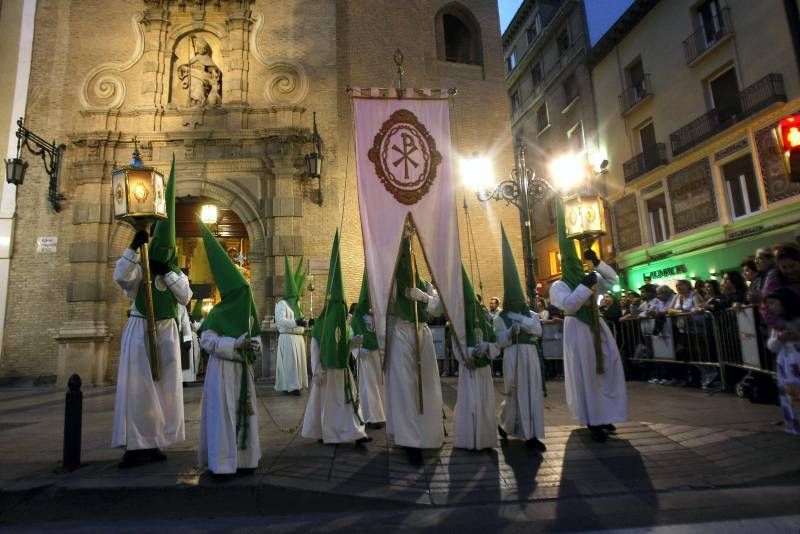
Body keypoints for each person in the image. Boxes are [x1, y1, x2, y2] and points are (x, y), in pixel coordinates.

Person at [112, 160, 192, 468]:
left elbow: (185, 296)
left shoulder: (174, 272)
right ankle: (135, 445)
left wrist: (168, 272)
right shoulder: (137, 265)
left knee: (165, 389)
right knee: (138, 388)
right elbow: (121, 277)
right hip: (140, 327)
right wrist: (134, 248)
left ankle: (157, 439)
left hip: (166, 331)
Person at [548, 198, 627, 443]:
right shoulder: (558, 285)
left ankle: (607, 414)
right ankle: (593, 419)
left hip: (597, 325)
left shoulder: (591, 275)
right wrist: (584, 285)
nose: (577, 266)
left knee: (608, 368)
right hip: (578, 330)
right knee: (587, 374)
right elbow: (570, 304)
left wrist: (598, 263)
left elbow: (614, 281)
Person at [196, 220, 262, 475]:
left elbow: (253, 338)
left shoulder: (247, 313)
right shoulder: (217, 314)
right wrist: (235, 344)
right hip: (222, 372)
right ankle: (223, 463)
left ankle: (246, 460)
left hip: (242, 372)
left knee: (245, 414)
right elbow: (207, 341)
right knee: (223, 416)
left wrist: (252, 347)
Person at [302, 231, 370, 447]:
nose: (341, 309)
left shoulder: (342, 321)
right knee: (329, 404)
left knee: (349, 403)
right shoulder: (321, 324)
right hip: (327, 373)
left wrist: (355, 342)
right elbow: (315, 347)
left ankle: (355, 432)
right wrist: (317, 369)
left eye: (343, 305)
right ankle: (327, 431)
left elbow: (345, 343)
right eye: (338, 305)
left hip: (343, 371)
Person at [384, 230, 444, 466]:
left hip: (423, 332)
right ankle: (408, 440)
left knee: (427, 383)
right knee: (405, 386)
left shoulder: (426, 284)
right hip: (400, 330)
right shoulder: (392, 281)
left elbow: (438, 309)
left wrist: (424, 298)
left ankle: (429, 433)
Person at [493, 226, 546, 451]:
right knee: (515, 392)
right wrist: (509, 332)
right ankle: (506, 424)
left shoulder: (530, 314)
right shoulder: (499, 318)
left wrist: (522, 321)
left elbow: (538, 331)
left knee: (531, 392)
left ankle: (531, 435)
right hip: (513, 356)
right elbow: (499, 342)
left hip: (530, 355)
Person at [454, 265, 501, 450]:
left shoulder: (484, 318)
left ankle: (485, 439)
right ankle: (468, 439)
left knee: (484, 402)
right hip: (469, 369)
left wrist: (487, 347)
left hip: (484, 370)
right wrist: (472, 352)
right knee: (469, 402)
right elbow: (456, 344)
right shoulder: (459, 319)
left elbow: (494, 341)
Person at [351, 271, 386, 430]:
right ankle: (371, 416)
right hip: (365, 355)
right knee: (368, 385)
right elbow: (353, 335)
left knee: (380, 384)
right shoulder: (357, 315)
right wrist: (358, 351)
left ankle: (382, 414)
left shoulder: (378, 314)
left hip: (378, 354)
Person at [764, 288, 800, 435]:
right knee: (790, 395)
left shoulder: (797, 321)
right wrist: (779, 338)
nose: (770, 307)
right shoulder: (777, 325)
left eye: (772, 303)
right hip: (785, 366)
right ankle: (794, 424)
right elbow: (771, 346)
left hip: (796, 363)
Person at [274, 255, 308, 395]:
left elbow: (300, 319)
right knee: (290, 364)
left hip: (298, 338)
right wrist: (296, 322)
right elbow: (280, 321)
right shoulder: (282, 304)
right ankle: (290, 387)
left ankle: (297, 385)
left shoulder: (297, 305)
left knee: (298, 364)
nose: (296, 297)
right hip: (287, 339)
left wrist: (305, 323)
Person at [761, 244, 800, 330]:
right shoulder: (774, 280)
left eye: (792, 266)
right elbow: (765, 307)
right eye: (784, 267)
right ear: (778, 266)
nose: (789, 270)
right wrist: (783, 325)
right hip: (785, 328)